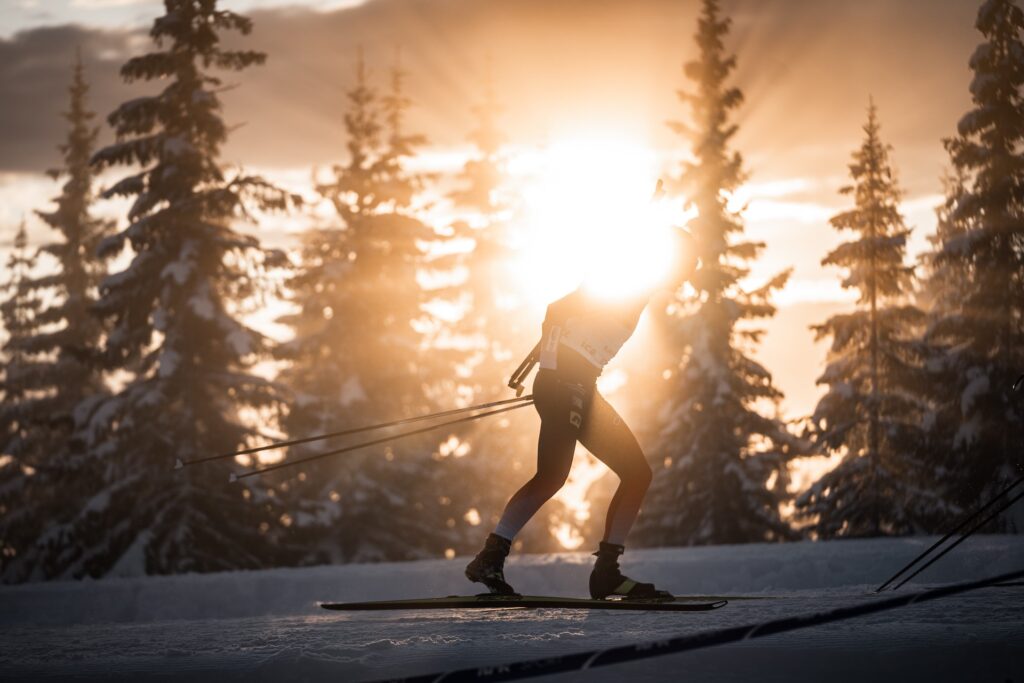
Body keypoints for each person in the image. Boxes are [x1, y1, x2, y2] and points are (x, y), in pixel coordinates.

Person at [466, 227, 698, 600]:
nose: (683, 278)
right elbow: (557, 309)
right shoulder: (628, 277)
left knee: (636, 474)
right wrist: (555, 370)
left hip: (580, 387)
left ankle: (606, 573)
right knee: (553, 475)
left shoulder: (638, 282)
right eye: (685, 267)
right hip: (566, 385)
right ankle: (491, 557)